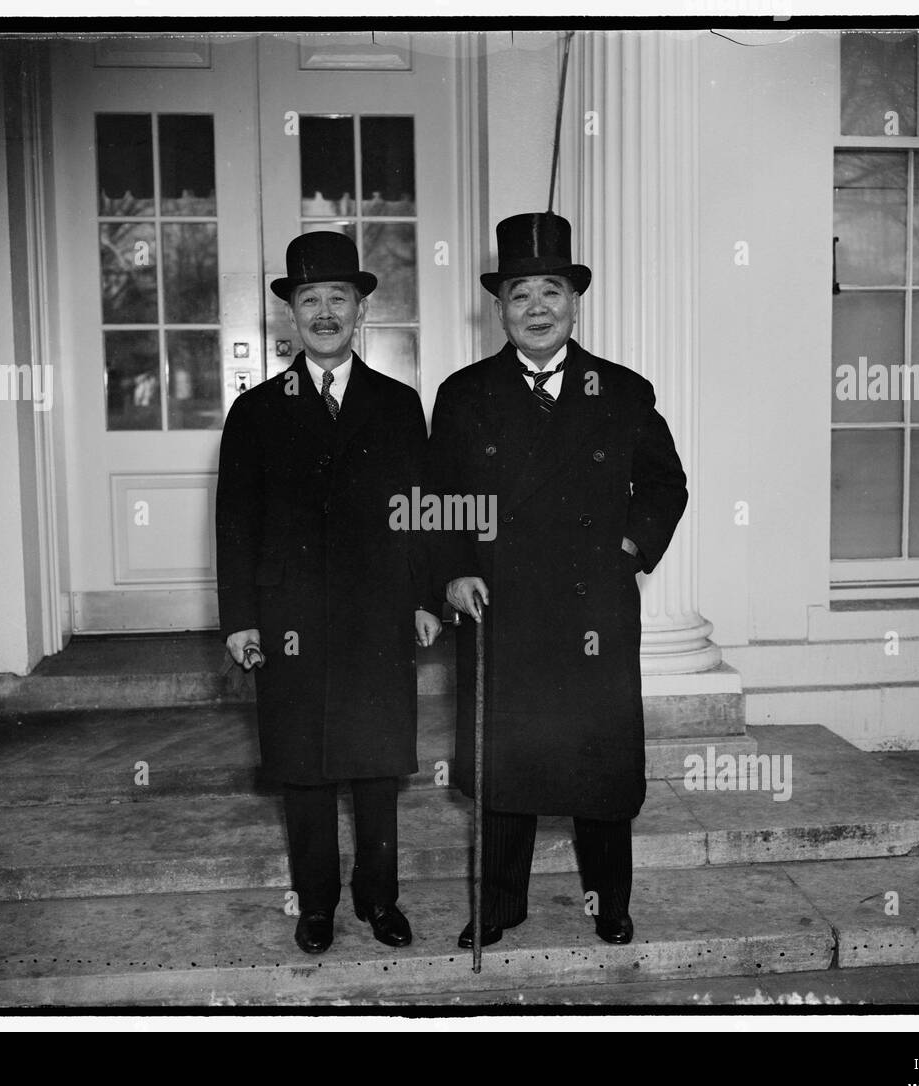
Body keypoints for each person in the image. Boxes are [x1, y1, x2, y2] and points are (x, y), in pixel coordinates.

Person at [427, 212, 688, 949]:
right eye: (519, 294)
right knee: (505, 762)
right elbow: (440, 498)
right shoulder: (463, 394)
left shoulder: (624, 391)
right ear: (498, 306)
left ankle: (609, 901)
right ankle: (501, 903)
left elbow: (664, 486)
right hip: (500, 606)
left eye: (551, 291)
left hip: (592, 610)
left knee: (599, 761)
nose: (536, 308)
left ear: (575, 302)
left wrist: (630, 549)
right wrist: (451, 573)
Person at [216, 231, 442, 955]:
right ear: (290, 315)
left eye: (337, 298)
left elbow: (418, 509)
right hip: (288, 621)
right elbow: (235, 524)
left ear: (360, 311)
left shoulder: (400, 405)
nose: (323, 312)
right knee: (304, 767)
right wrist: (240, 619)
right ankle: (315, 906)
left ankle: (379, 900)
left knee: (377, 761)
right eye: (308, 298)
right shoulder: (255, 412)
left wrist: (421, 598)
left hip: (376, 613)